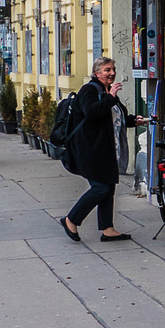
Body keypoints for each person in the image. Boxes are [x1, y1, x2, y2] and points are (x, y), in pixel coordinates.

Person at [60, 57, 146, 243]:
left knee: (108, 188)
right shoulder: (89, 90)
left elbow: (115, 116)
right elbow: (92, 112)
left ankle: (107, 229)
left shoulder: (107, 92)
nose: (112, 73)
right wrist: (110, 97)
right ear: (97, 73)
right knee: (100, 188)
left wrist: (132, 121)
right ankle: (71, 219)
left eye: (113, 69)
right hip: (90, 149)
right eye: (107, 70)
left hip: (107, 149)